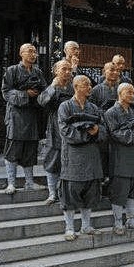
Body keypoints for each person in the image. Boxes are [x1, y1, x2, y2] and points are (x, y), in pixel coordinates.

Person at [57, 75, 107, 241]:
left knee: (91, 192)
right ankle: (70, 227)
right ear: (77, 86)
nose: (89, 87)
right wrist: (87, 135)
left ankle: (86, 226)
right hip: (73, 157)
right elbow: (65, 131)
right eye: (86, 84)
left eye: (90, 84)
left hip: (92, 156)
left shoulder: (93, 107)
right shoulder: (65, 106)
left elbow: (105, 128)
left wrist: (97, 131)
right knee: (70, 192)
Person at [104, 83, 134, 235]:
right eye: (129, 92)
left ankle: (130, 219)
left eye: (133, 92)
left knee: (133, 191)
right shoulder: (111, 113)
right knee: (119, 192)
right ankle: (118, 222)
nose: (132, 94)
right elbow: (115, 134)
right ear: (120, 93)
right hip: (120, 158)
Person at [1, 43, 48, 194]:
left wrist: (39, 94)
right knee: (13, 148)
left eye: (35, 52)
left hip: (32, 114)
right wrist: (25, 94)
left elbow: (44, 90)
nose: (33, 54)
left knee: (30, 149)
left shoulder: (38, 72)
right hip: (16, 114)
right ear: (21, 53)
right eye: (30, 51)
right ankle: (11, 183)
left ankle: (29, 182)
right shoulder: (12, 70)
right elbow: (6, 91)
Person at [37, 59, 74, 204]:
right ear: (55, 71)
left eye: (69, 70)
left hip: (71, 128)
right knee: (53, 161)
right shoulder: (51, 87)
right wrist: (52, 86)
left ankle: (64, 193)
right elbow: (41, 101)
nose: (67, 72)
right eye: (63, 69)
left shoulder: (73, 87)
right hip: (55, 128)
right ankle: (52, 193)